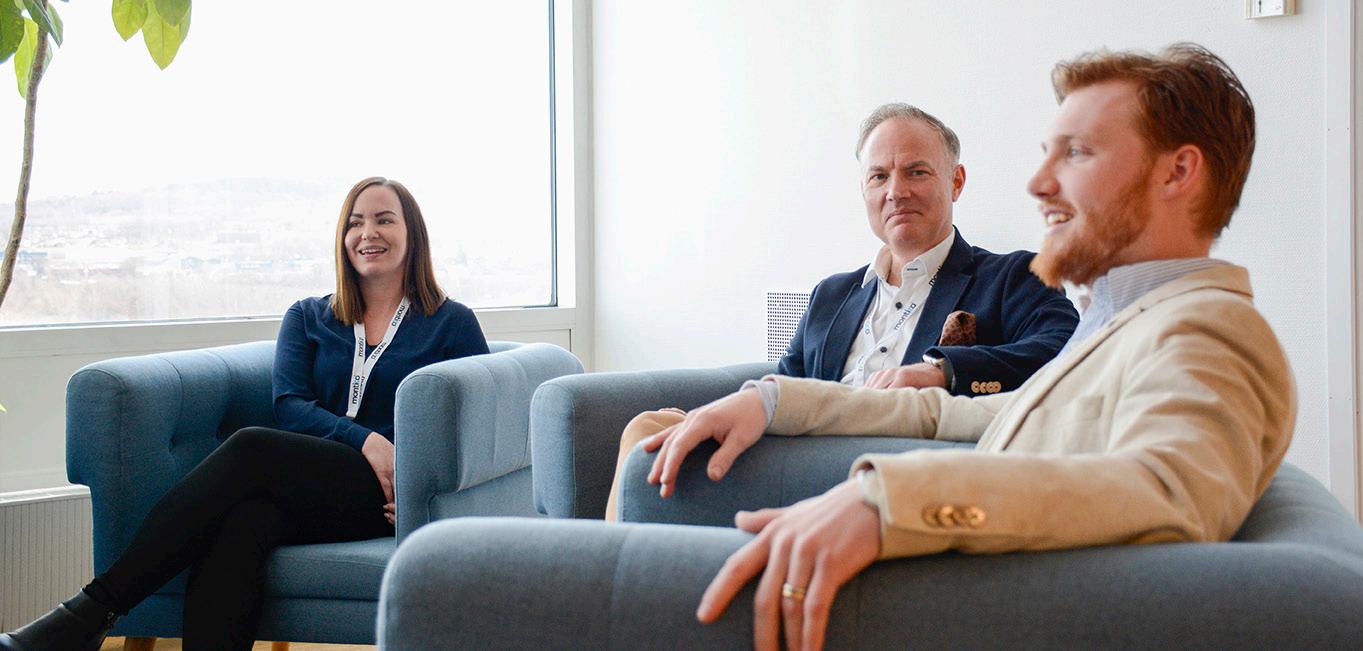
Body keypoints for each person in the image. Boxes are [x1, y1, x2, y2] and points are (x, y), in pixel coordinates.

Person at [643, 43, 1293, 651]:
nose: (1038, 183)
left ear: (1177, 172)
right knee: (648, 456)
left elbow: (1163, 488)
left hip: (952, 602)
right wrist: (773, 399)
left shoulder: (1210, 328)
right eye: (1047, 153)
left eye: (1076, 154)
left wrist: (888, 499)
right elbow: (951, 416)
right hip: (920, 563)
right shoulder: (1119, 323)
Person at [0, 177, 490, 651]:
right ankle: (89, 618)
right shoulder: (309, 316)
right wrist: (364, 439)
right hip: (313, 478)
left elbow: (483, 428)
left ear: (412, 232)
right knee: (245, 522)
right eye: (355, 223)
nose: (368, 233)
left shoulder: (451, 323)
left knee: (252, 447)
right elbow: (290, 406)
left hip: (389, 495)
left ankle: (89, 613)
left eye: (384, 220)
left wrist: (432, 499)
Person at [603, 103, 1079, 519]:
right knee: (646, 428)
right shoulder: (831, 295)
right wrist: (714, 412)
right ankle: (614, 576)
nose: (895, 191)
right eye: (879, 176)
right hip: (803, 453)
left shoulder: (1013, 277)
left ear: (956, 182)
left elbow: (1067, 354)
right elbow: (786, 384)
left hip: (892, 466)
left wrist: (943, 371)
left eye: (916, 172)